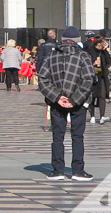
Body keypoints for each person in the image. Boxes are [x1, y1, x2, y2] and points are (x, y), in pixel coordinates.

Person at [38, 26, 96, 181]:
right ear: (77, 40)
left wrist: (57, 97)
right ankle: (78, 171)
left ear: (62, 40)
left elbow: (43, 79)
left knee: (58, 136)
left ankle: (57, 170)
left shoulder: (51, 55)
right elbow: (89, 79)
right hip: (78, 103)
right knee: (78, 136)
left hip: (57, 103)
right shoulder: (83, 56)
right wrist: (75, 99)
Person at [87, 35, 111, 124]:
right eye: (103, 43)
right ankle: (92, 116)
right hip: (92, 76)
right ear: (98, 43)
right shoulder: (90, 50)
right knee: (92, 97)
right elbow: (86, 63)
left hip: (101, 76)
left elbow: (109, 62)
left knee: (102, 96)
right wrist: (93, 63)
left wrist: (105, 50)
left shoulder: (103, 51)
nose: (104, 44)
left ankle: (102, 116)